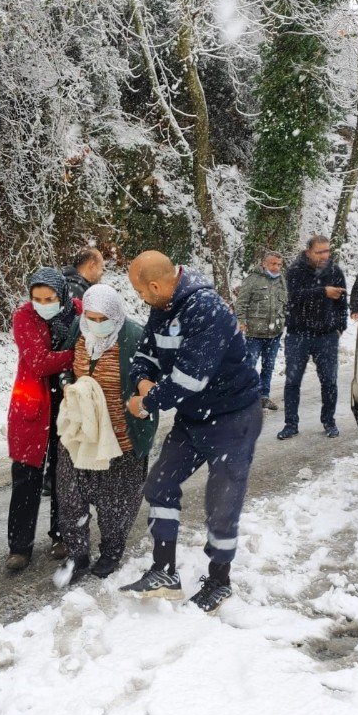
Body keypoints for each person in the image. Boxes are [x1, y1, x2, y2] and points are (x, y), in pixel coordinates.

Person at [118, 252, 262, 614]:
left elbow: (189, 379)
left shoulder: (206, 309)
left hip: (233, 418)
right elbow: (145, 355)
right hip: (193, 417)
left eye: (140, 292)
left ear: (154, 285)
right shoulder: (162, 305)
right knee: (160, 484)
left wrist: (147, 402)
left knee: (221, 505)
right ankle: (164, 570)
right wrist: (143, 380)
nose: (141, 299)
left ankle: (219, 581)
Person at [53, 284, 159, 584]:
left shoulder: (135, 338)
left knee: (116, 501)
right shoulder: (78, 329)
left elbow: (151, 383)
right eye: (91, 317)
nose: (96, 324)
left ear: (115, 315)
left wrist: (142, 403)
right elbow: (64, 366)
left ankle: (112, 549)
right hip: (81, 432)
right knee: (71, 496)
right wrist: (67, 385)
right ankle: (78, 553)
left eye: (103, 319)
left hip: (121, 435)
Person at [6, 267, 80, 570]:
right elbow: (37, 363)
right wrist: (75, 355)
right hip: (32, 407)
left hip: (65, 404)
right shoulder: (24, 317)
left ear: (61, 295)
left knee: (64, 473)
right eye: (36, 298)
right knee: (26, 476)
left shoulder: (76, 311)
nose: (42, 303)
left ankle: (61, 535)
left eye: (49, 298)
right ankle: (19, 546)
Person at [278, 234, 348, 441]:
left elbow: (342, 304)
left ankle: (329, 421)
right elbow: (293, 297)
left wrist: (340, 327)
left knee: (329, 381)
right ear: (309, 251)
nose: (325, 255)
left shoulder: (335, 271)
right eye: (320, 251)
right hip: (298, 334)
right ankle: (291, 424)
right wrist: (322, 292)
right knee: (292, 382)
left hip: (326, 335)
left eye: (328, 250)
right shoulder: (295, 271)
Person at [234, 250, 287, 411]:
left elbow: (285, 303)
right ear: (264, 264)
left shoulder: (282, 280)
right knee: (250, 365)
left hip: (274, 332)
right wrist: (241, 321)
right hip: (254, 333)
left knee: (269, 366)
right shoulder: (252, 280)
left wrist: (284, 320)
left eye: (279, 264)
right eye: (273, 263)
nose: (276, 267)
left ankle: (264, 396)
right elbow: (241, 303)